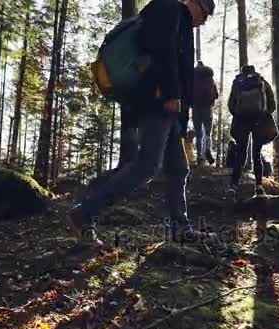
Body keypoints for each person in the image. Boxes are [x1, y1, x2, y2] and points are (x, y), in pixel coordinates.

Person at [66, 0, 216, 244]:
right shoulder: (170, 9)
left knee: (178, 168)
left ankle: (180, 227)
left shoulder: (178, 18)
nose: (205, 20)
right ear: (195, 3)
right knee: (146, 166)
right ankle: (84, 213)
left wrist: (179, 110)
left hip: (168, 106)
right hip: (159, 102)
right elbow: (162, 51)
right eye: (206, 12)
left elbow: (176, 61)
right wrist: (170, 93)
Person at [227, 65, 277, 196]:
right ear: (254, 71)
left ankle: (233, 186)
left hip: (242, 121)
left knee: (240, 153)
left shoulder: (238, 82)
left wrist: (238, 114)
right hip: (259, 120)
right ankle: (259, 186)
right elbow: (272, 103)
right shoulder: (261, 81)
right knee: (256, 154)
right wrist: (265, 114)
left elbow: (231, 104)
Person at [192, 61, 218, 166]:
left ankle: (199, 156)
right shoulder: (209, 78)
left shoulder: (193, 78)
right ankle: (207, 149)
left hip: (196, 108)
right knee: (207, 133)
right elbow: (216, 95)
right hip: (207, 108)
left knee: (198, 134)